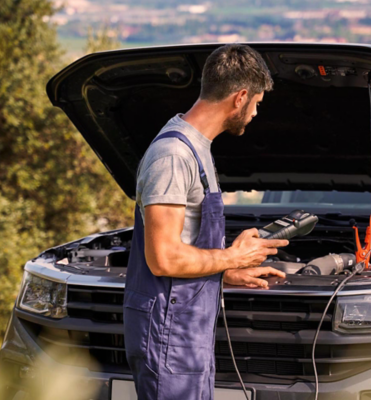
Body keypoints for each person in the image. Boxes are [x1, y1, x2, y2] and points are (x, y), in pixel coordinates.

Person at [123, 44, 288, 400]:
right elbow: (163, 258)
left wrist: (225, 274)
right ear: (240, 97)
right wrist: (233, 257)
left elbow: (185, 245)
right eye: (257, 103)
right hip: (170, 337)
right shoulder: (173, 156)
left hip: (187, 334)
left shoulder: (198, 149)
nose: (256, 113)